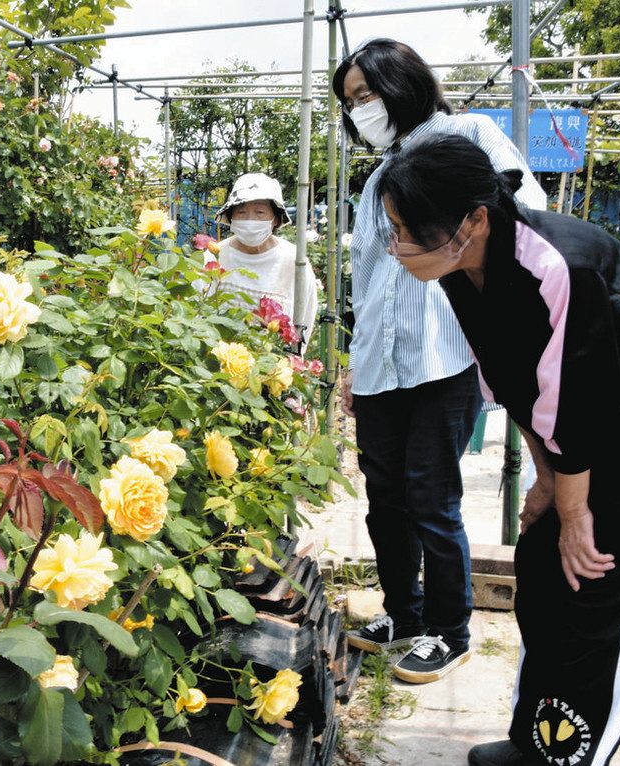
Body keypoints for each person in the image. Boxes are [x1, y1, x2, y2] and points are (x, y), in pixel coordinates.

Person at [379, 131, 620, 766]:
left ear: (476, 218)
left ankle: (579, 753)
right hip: (583, 436)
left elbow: (581, 398)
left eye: (411, 232)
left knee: (597, 579)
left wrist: (575, 512)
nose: (398, 247)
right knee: (543, 570)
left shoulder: (559, 266)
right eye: (393, 229)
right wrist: (549, 484)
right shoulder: (458, 267)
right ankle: (538, 740)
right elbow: (515, 381)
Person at [332, 38, 547, 684]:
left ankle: (450, 630)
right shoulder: (375, 181)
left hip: (444, 357)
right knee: (384, 498)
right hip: (378, 367)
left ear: (403, 85)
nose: (361, 110)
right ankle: (405, 614)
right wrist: (351, 362)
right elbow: (368, 281)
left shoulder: (468, 136)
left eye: (367, 94)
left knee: (431, 496)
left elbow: (523, 215)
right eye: (351, 102)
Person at [205, 172, 319, 343]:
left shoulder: (294, 261)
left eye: (259, 212)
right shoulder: (214, 256)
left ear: (275, 219)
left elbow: (305, 319)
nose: (250, 220)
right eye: (241, 212)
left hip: (274, 363)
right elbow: (199, 315)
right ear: (231, 217)